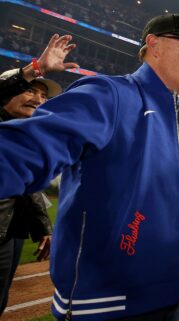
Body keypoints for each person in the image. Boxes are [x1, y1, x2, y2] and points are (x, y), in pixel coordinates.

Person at [0, 14, 179, 321]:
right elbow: (21, 152)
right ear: (154, 45)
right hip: (104, 302)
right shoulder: (107, 94)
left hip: (168, 291)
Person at [0, 33, 77, 315]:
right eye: (31, 89)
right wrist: (36, 69)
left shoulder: (27, 138)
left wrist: (42, 226)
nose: (38, 98)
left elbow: (27, 187)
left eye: (44, 95)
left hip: (9, 233)